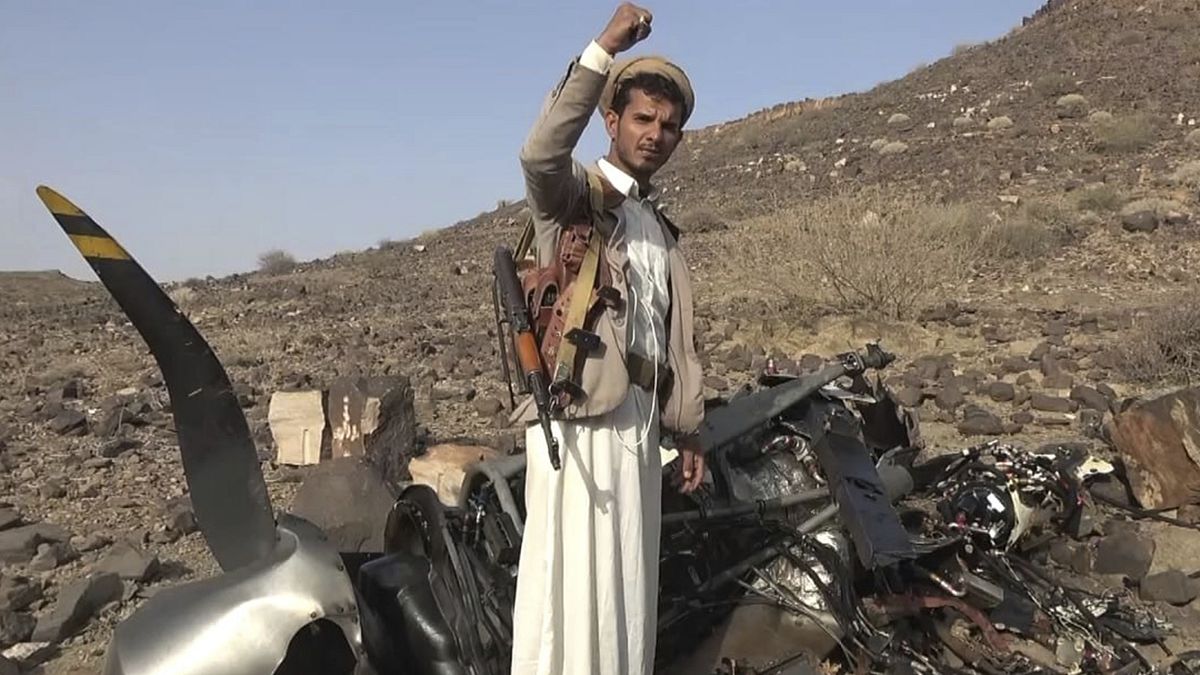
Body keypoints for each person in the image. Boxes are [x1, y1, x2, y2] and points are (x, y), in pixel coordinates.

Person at [508, 3, 706, 674]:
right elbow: (539, 154)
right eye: (643, 119)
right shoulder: (573, 199)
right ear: (612, 121)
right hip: (578, 425)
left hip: (640, 429)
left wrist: (688, 429)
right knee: (568, 596)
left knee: (626, 594)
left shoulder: (658, 228)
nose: (656, 134)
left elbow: (675, 341)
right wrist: (604, 49)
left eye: (669, 125)